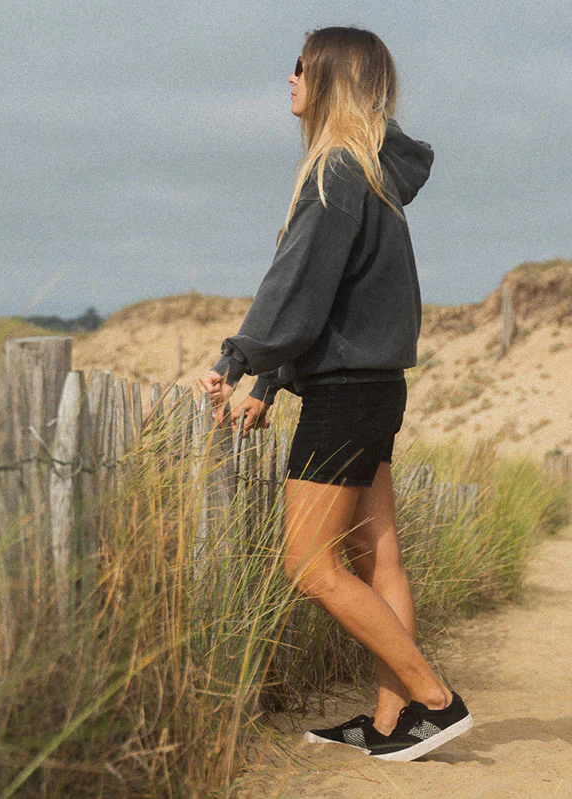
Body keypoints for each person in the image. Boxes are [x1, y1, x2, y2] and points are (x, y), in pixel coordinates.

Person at [197, 26, 473, 761]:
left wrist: (239, 359)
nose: (289, 78)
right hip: (375, 389)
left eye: (301, 66)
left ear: (330, 79)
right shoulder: (370, 172)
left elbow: (294, 289)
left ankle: (435, 700)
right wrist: (270, 381)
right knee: (378, 556)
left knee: (308, 563)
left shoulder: (335, 174)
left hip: (345, 397)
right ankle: (390, 722)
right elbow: (333, 299)